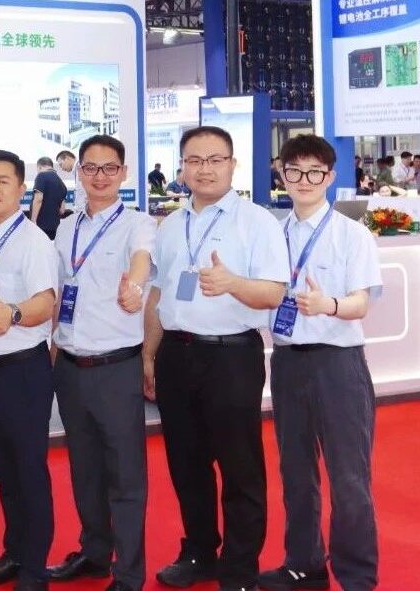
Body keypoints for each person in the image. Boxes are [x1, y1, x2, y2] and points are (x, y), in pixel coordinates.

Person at [143, 125, 289, 591]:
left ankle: (239, 567)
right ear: (182, 167)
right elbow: (159, 293)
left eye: (215, 160)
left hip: (231, 356)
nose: (204, 169)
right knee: (186, 462)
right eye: (195, 160)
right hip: (176, 354)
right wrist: (149, 355)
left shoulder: (257, 222)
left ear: (232, 165)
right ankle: (199, 552)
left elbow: (273, 293)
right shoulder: (170, 225)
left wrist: (233, 284)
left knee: (239, 465)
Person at [258, 135, 382, 591]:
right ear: (282, 174)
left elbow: (361, 303)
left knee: (349, 478)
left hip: (339, 366)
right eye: (294, 171)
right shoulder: (271, 234)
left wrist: (327, 304)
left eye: (315, 172)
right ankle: (303, 565)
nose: (304, 180)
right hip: (287, 363)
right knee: (295, 472)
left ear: (330, 177)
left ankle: (356, 577)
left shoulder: (352, 234)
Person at [46, 135, 156, 591]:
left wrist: (134, 285)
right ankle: (94, 553)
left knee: (125, 475)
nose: (99, 176)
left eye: (109, 168)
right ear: (78, 173)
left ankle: (128, 574)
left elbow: (141, 261)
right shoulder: (65, 229)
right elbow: (57, 293)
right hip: (70, 366)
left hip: (116, 368)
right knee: (84, 468)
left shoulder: (138, 224)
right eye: (90, 168)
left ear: (123, 173)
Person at [0, 149, 58, 591]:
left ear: (22, 189)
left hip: (23, 372)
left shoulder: (32, 241)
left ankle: (34, 571)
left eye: (3, 181)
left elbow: (46, 302)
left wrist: (14, 314)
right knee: (4, 470)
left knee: (28, 472)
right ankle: (15, 552)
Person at [30, 156, 69, 239]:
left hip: (41, 226)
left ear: (40, 167)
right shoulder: (61, 183)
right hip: (55, 227)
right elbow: (62, 210)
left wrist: (33, 221)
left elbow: (38, 199)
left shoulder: (41, 176)